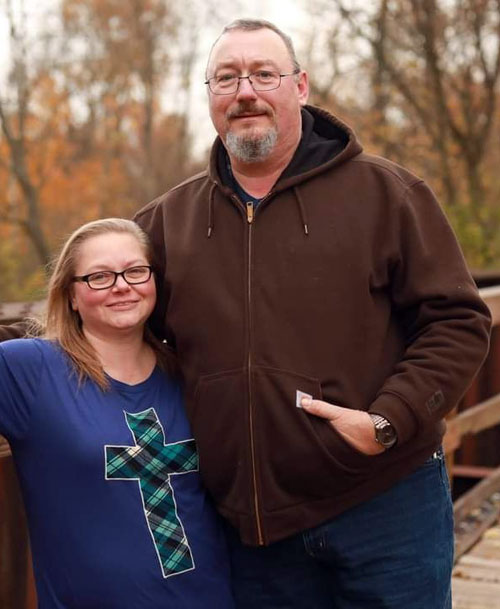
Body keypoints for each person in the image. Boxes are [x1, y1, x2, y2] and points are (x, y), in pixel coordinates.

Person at [133, 18, 492, 609]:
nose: (245, 91)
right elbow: (107, 318)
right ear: (210, 99)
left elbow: (458, 322)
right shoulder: (166, 223)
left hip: (385, 501)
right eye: (226, 78)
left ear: (299, 87)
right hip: (253, 531)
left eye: (263, 74)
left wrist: (386, 422)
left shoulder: (387, 194)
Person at [0, 218, 234, 609]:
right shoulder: (29, 371)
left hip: (210, 597)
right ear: (70, 295)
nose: (122, 285)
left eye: (135, 271)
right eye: (99, 277)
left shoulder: (188, 374)